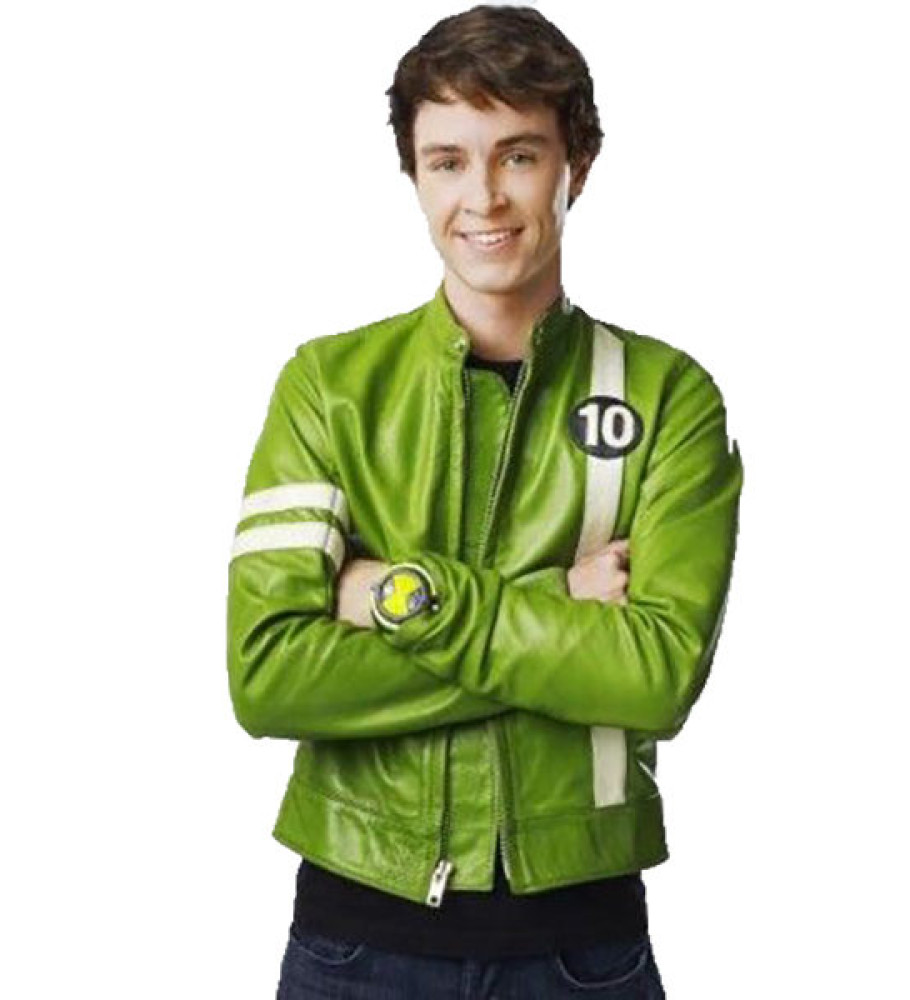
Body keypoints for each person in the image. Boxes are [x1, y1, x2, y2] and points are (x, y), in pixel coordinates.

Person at [226, 5, 743, 997]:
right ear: (414, 175)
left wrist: (394, 596)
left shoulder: (668, 396)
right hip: (352, 947)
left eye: (519, 155)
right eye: (448, 161)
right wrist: (557, 605)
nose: (484, 197)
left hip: (583, 952)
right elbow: (268, 678)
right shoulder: (327, 387)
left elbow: (654, 678)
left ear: (576, 165)